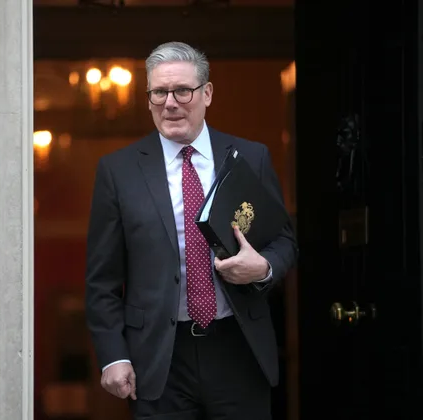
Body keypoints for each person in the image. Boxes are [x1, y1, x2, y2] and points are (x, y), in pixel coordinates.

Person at [85, 41, 298, 419]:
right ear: (148, 97)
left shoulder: (251, 156)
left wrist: (262, 267)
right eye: (159, 92)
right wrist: (112, 355)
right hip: (158, 357)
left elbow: (283, 239)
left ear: (207, 93)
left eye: (182, 90)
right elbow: (102, 280)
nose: (170, 102)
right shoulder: (118, 172)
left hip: (239, 349)